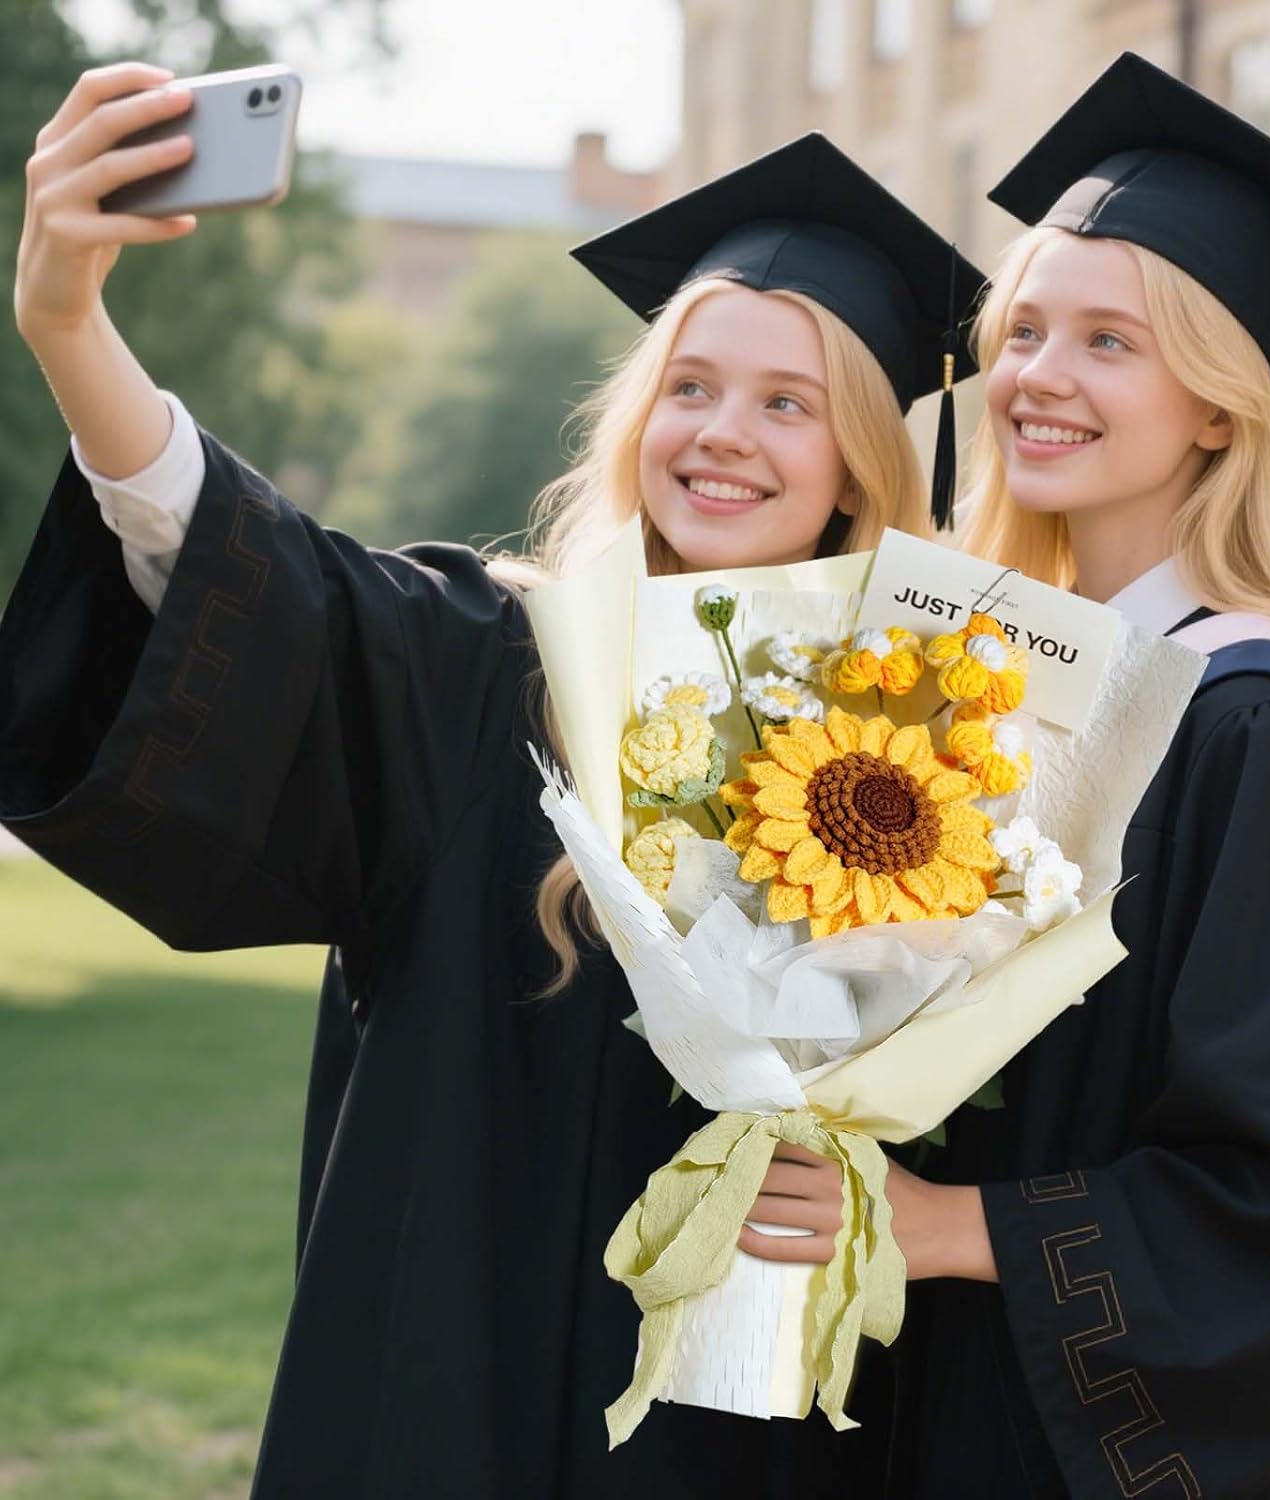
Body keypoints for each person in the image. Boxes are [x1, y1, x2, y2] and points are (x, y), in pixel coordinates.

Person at [0, 64, 997, 1497]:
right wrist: (68, 326)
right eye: (692, 387)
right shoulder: (495, 662)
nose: (722, 433)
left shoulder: (918, 753)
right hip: (451, 1369)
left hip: (740, 1399)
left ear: (858, 458)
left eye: (790, 402)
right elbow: (256, 567)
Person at [906, 51, 1270, 1497]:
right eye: (1025, 330)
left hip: (1127, 1433)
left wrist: (951, 1228)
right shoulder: (976, 680)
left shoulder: (1253, 717)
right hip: (962, 1397)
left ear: (1221, 408)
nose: (1038, 377)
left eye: (1110, 343)